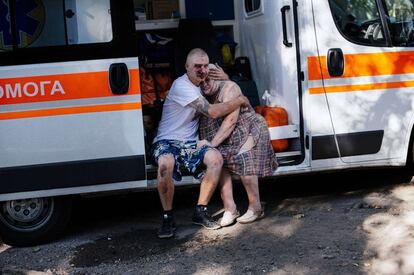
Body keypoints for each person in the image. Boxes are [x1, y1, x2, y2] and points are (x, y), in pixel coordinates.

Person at [151, 48, 249, 238]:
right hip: (166, 140)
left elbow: (226, 88)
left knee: (216, 159)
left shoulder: (203, 83)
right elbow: (212, 111)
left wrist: (226, 76)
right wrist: (240, 100)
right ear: (187, 67)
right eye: (197, 66)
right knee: (165, 164)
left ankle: (200, 211)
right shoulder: (182, 86)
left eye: (205, 66)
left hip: (190, 142)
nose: (202, 71)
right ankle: (167, 217)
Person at [199, 65, 277, 226]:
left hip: (248, 129)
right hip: (226, 135)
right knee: (218, 160)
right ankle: (230, 209)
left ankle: (256, 207)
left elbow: (231, 120)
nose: (205, 84)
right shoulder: (200, 94)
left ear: (217, 77)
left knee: (244, 157)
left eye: (209, 79)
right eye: (201, 81)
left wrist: (211, 144)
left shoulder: (229, 88)